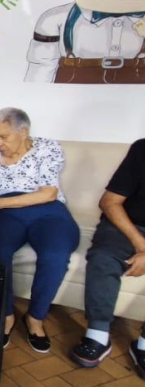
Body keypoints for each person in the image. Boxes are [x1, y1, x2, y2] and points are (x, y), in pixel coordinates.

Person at [0, 108, 79, 353]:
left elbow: (48, 193)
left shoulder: (48, 149)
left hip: (47, 210)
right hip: (7, 214)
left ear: (23, 132)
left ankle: (35, 317)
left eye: (4, 137)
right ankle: (6, 315)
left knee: (55, 255)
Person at [70, 138, 145, 374]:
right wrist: (140, 244)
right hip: (125, 225)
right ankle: (98, 335)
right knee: (103, 257)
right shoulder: (142, 149)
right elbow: (110, 202)